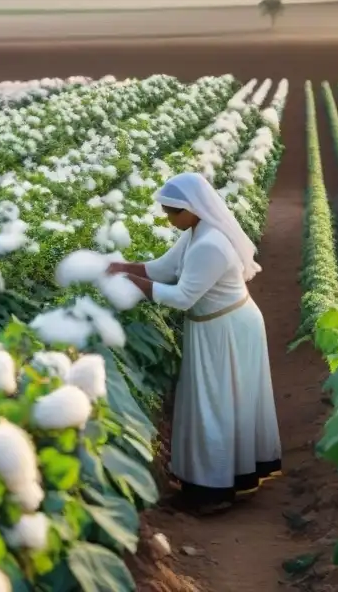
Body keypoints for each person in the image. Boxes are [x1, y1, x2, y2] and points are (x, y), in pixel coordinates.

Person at [107, 172, 282, 515]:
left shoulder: (210, 246)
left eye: (172, 212)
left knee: (217, 404)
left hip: (228, 330)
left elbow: (184, 296)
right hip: (213, 327)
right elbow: (163, 269)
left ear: (191, 209)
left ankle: (215, 492)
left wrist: (135, 285)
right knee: (210, 403)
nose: (167, 219)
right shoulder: (195, 234)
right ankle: (202, 484)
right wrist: (121, 266)